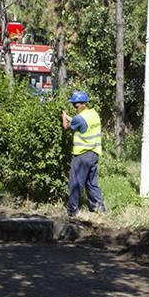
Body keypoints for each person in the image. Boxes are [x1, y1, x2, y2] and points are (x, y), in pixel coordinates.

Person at [61, 90, 106, 218]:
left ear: (83, 104)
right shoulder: (93, 114)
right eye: (73, 105)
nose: (74, 107)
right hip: (94, 153)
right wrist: (70, 118)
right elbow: (81, 123)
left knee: (75, 182)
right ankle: (99, 208)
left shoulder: (79, 118)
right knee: (91, 183)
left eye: (75, 105)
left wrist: (64, 117)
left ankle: (72, 211)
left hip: (82, 154)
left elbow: (66, 127)